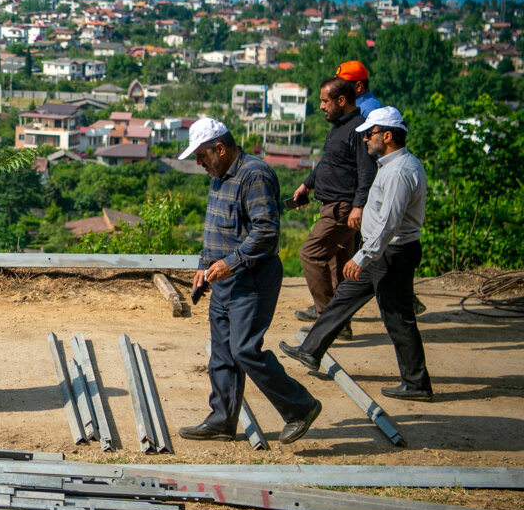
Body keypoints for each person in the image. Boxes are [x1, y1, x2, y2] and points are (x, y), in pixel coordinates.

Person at [177, 117, 322, 444]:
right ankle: (222, 419)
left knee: (244, 349)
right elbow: (215, 227)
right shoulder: (218, 175)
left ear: (220, 148)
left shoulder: (253, 175)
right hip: (225, 278)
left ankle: (301, 407)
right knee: (223, 353)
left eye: (201, 155)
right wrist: (205, 264)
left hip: (252, 277)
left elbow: (266, 233)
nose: (199, 163)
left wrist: (230, 263)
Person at [280, 107, 433, 400]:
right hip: (383, 252)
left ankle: (417, 384)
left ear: (387, 136)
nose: (365, 140)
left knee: (398, 318)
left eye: (370, 134)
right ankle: (310, 351)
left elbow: (389, 223)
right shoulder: (392, 165)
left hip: (390, 254)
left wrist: (363, 256)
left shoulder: (399, 172)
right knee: (342, 301)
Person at [290, 77, 377, 333]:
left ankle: (326, 322)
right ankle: (341, 326)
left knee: (310, 254)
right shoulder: (339, 126)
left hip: (342, 208)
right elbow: (330, 164)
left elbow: (367, 172)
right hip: (332, 204)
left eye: (325, 101)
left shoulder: (359, 128)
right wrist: (307, 184)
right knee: (337, 266)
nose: (321, 106)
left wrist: (359, 206)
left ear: (342, 100)